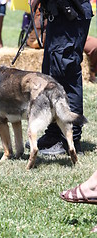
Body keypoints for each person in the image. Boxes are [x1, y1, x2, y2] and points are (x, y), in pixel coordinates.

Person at [27, 0, 93, 155]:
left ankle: (70, 140)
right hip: (59, 14)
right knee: (52, 76)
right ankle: (54, 134)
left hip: (70, 14)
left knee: (66, 77)